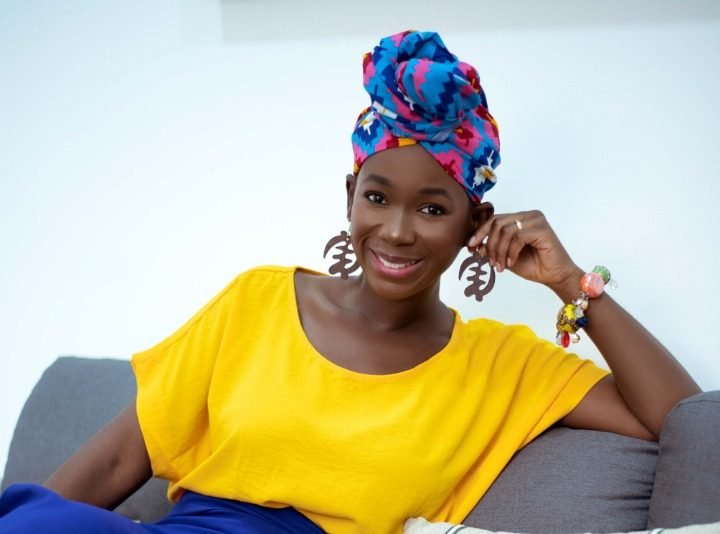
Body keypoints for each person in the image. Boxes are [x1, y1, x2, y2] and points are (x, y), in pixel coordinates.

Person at [0, 30, 700, 534]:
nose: (396, 231)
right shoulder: (256, 302)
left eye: (432, 209)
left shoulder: (498, 364)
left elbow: (686, 420)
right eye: (377, 197)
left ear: (475, 223)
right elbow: (119, 458)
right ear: (349, 197)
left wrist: (569, 281)